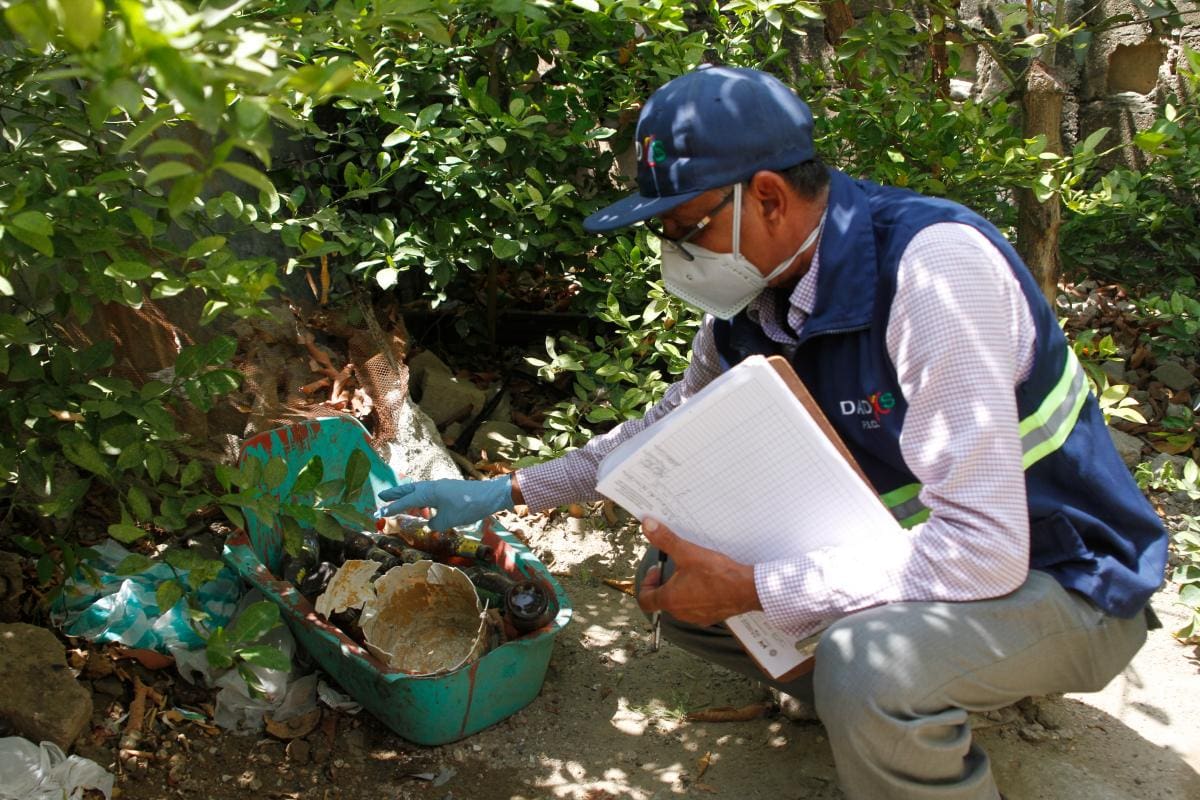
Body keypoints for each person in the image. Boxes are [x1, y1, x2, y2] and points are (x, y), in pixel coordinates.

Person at [376, 65, 1168, 800]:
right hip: (933, 557)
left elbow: (985, 550)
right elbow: (662, 433)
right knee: (680, 576)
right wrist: (504, 488)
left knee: (867, 666)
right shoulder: (751, 307)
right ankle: (875, 708)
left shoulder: (931, 274)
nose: (673, 257)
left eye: (685, 229)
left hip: (1067, 578)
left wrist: (756, 588)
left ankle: (883, 698)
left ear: (765, 198)